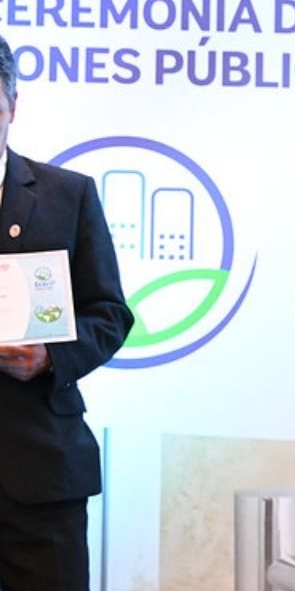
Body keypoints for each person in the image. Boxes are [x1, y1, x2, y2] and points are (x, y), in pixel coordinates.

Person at [0, 34, 134, 590]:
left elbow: (110, 313)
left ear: (12, 103)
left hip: (40, 472)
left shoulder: (67, 194)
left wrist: (50, 356)